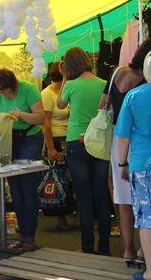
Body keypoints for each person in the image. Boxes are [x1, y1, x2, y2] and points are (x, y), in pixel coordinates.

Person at [0, 68, 45, 251]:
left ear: (14, 85)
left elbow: (41, 118)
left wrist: (21, 115)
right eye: (0, 92)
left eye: (6, 91)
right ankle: (21, 234)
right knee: (15, 188)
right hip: (9, 139)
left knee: (28, 188)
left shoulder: (28, 89)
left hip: (30, 138)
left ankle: (30, 236)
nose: (3, 94)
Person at [100, 39, 151, 264]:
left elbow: (102, 106)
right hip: (139, 147)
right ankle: (143, 253)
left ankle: (128, 250)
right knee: (144, 205)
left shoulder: (117, 74)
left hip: (119, 144)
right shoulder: (143, 85)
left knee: (124, 201)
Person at [56, 46, 110, 255]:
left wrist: (63, 78)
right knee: (101, 193)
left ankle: (87, 246)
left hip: (76, 143)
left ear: (68, 66)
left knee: (84, 195)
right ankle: (104, 246)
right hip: (99, 142)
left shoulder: (70, 85)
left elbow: (60, 105)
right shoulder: (103, 84)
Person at [115, 51, 151, 280]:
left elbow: (123, 136)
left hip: (142, 165)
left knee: (147, 218)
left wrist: (121, 163)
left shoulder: (134, 96)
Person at [41, 61, 72, 229]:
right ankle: (60, 217)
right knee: (58, 178)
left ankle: (72, 214)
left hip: (70, 137)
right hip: (56, 138)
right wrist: (50, 147)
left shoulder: (68, 91)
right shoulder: (47, 94)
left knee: (71, 178)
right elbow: (45, 122)